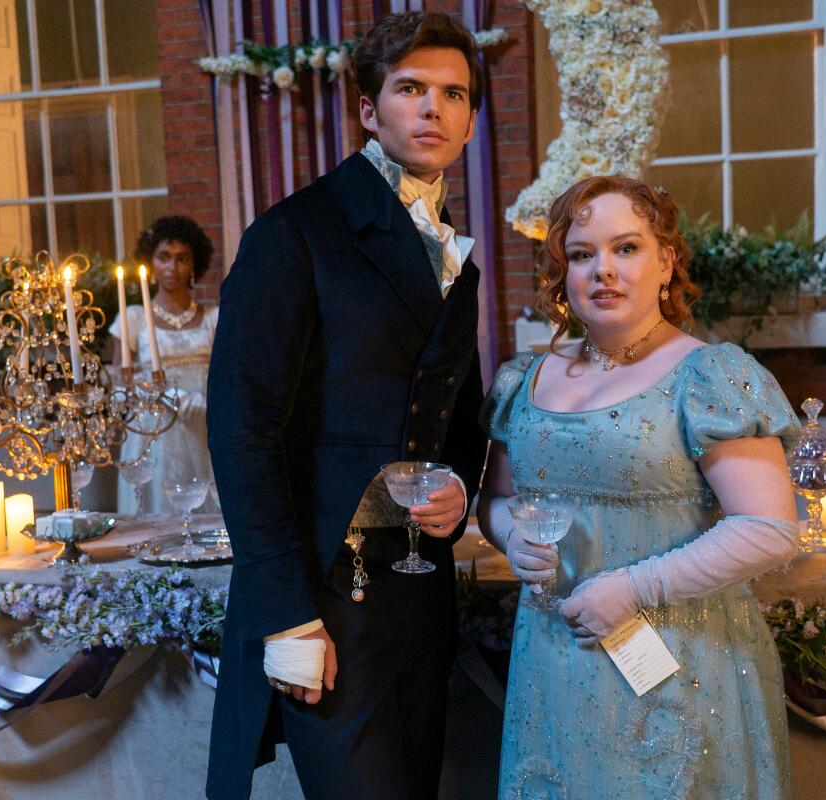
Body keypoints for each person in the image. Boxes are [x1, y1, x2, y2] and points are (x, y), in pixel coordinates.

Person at [204, 12, 487, 800]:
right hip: (323, 592)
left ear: (470, 121)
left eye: (453, 94)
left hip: (420, 590)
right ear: (369, 109)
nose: (432, 108)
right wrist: (285, 615)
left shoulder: (456, 257)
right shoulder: (294, 234)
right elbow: (243, 431)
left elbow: (457, 413)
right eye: (410, 89)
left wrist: (458, 486)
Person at [478, 176, 801, 799]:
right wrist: (510, 536)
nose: (603, 269)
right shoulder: (524, 379)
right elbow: (496, 502)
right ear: (562, 273)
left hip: (679, 657)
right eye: (581, 254)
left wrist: (632, 587)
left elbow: (769, 529)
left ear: (666, 261)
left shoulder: (710, 375)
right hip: (551, 656)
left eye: (626, 248)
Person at [111, 215, 219, 516]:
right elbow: (121, 385)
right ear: (151, 262)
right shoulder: (133, 318)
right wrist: (162, 395)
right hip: (153, 432)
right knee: (157, 512)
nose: (172, 267)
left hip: (203, 425)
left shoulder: (214, 318)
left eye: (182, 258)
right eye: (164, 257)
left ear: (194, 264)